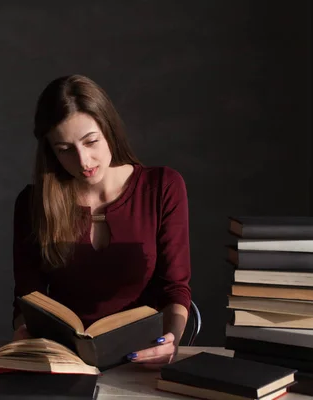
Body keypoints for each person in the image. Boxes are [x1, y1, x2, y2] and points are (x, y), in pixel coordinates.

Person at [11, 74, 191, 369]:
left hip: (141, 359)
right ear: (51, 152)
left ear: (109, 129)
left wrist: (171, 339)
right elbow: (27, 298)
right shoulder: (33, 203)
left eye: (91, 141)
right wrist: (24, 335)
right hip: (64, 361)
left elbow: (176, 288)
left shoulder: (163, 187)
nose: (83, 161)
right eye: (65, 149)